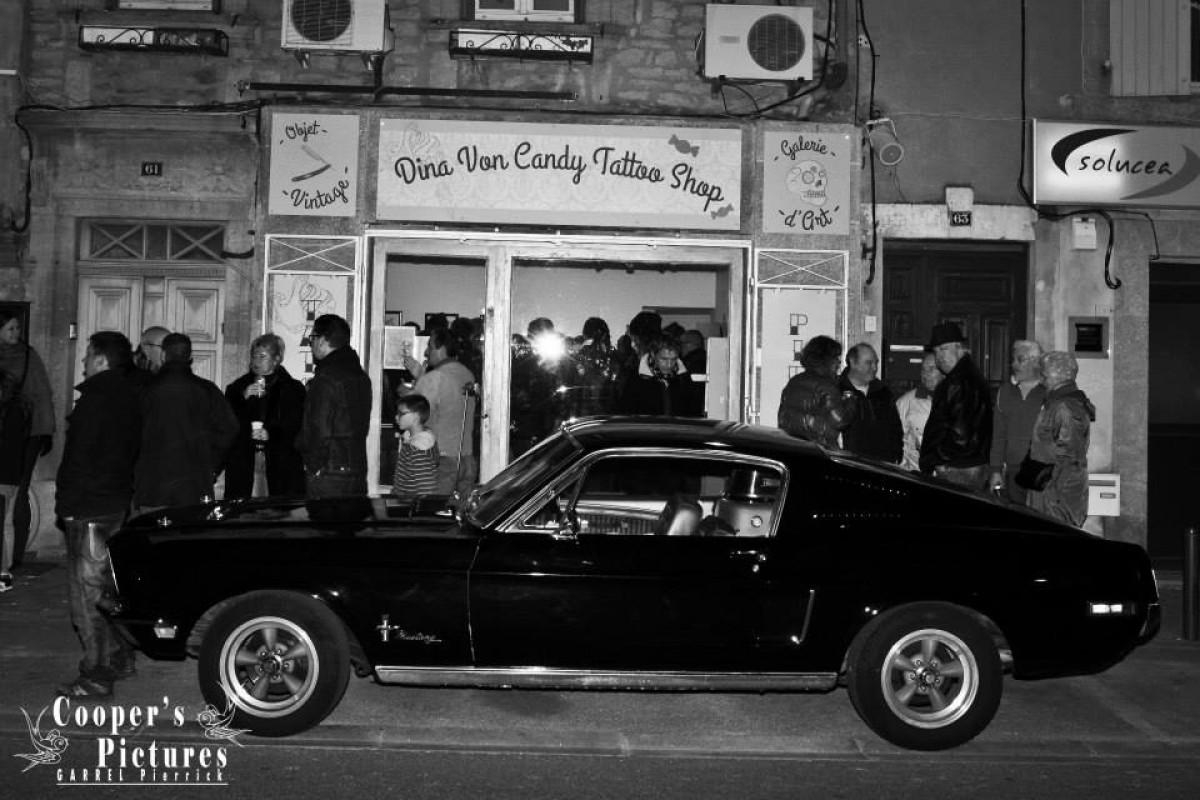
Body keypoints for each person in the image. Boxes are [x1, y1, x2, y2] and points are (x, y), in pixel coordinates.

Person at [54, 331, 142, 696]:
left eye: (88, 355)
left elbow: (79, 458)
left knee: (87, 593)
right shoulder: (130, 396)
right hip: (113, 503)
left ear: (102, 360)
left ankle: (97, 673)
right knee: (105, 587)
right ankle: (119, 655)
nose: (83, 361)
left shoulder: (95, 401)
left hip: (89, 508)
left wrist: (67, 507)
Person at [133, 333, 238, 510]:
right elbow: (230, 429)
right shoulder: (207, 390)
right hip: (194, 487)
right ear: (190, 357)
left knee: (153, 528)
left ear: (163, 355)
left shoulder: (145, 390)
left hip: (153, 486)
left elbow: (129, 434)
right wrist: (212, 466)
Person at [0, 309, 55, 575]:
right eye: (10, 329)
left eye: (17, 328)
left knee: (16, 493)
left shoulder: (27, 356)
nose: (16, 334)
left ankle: (13, 558)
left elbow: (42, 393)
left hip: (21, 432)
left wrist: (45, 430)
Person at [224, 333, 306, 499]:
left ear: (276, 359)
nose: (256, 361)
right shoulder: (238, 387)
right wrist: (242, 398)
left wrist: (271, 434)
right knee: (244, 508)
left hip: (280, 463)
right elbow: (226, 420)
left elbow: (296, 425)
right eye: (254, 356)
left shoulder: (292, 388)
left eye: (262, 356)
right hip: (245, 461)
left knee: (278, 508)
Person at [300, 314, 372, 498]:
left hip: (329, 472)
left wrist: (314, 467)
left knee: (324, 516)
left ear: (323, 340)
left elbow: (319, 428)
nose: (311, 344)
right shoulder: (361, 376)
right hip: (357, 467)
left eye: (312, 338)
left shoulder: (326, 377)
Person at [919, 322, 994, 489]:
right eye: (936, 351)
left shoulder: (957, 382)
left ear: (960, 348)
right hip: (968, 465)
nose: (939, 357)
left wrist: (936, 458)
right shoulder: (970, 376)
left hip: (958, 469)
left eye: (944, 349)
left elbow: (960, 435)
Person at [1025, 352, 1095, 526]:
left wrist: (1053, 498)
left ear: (1057, 376)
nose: (1041, 380)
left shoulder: (1066, 407)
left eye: (1044, 375)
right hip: (1048, 489)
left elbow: (1070, 459)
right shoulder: (1058, 403)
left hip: (1057, 497)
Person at [407, 327, 477, 501]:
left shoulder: (434, 378)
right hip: (466, 459)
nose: (426, 352)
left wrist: (415, 384)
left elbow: (414, 416)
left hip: (440, 461)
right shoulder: (467, 374)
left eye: (430, 347)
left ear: (442, 348)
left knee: (431, 513)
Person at [988, 340, 1047, 503]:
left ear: (1036, 362)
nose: (1014, 364)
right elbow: (998, 436)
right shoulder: (1005, 392)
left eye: (1020, 360)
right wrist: (995, 470)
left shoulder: (1050, 392)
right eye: (1013, 360)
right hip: (1013, 472)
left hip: (1043, 472)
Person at [778, 334, 854, 448]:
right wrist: (850, 399)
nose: (839, 362)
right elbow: (840, 421)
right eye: (836, 357)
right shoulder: (826, 386)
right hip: (820, 450)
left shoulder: (795, 381)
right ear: (826, 359)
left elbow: (783, 417)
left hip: (792, 447)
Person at [837, 343, 903, 464]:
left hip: (882, 464)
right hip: (849, 463)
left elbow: (895, 428)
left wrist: (896, 455)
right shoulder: (836, 390)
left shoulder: (883, 392)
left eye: (876, 363)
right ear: (853, 362)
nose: (875, 368)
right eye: (869, 363)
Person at [619, 337, 702, 417]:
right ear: (653, 354)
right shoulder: (636, 378)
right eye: (664, 359)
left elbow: (693, 411)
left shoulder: (683, 378)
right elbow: (626, 412)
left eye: (673, 359)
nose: (669, 365)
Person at [895, 352, 944, 472]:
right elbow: (896, 441)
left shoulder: (955, 400)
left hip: (949, 476)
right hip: (916, 474)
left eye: (931, 369)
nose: (925, 374)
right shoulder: (906, 402)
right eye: (923, 369)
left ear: (944, 372)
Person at [392, 393, 440, 502]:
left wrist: (417, 509)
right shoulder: (413, 442)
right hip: (405, 501)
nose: (396, 417)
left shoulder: (419, 448)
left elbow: (426, 489)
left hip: (411, 506)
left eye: (401, 413)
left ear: (415, 416)